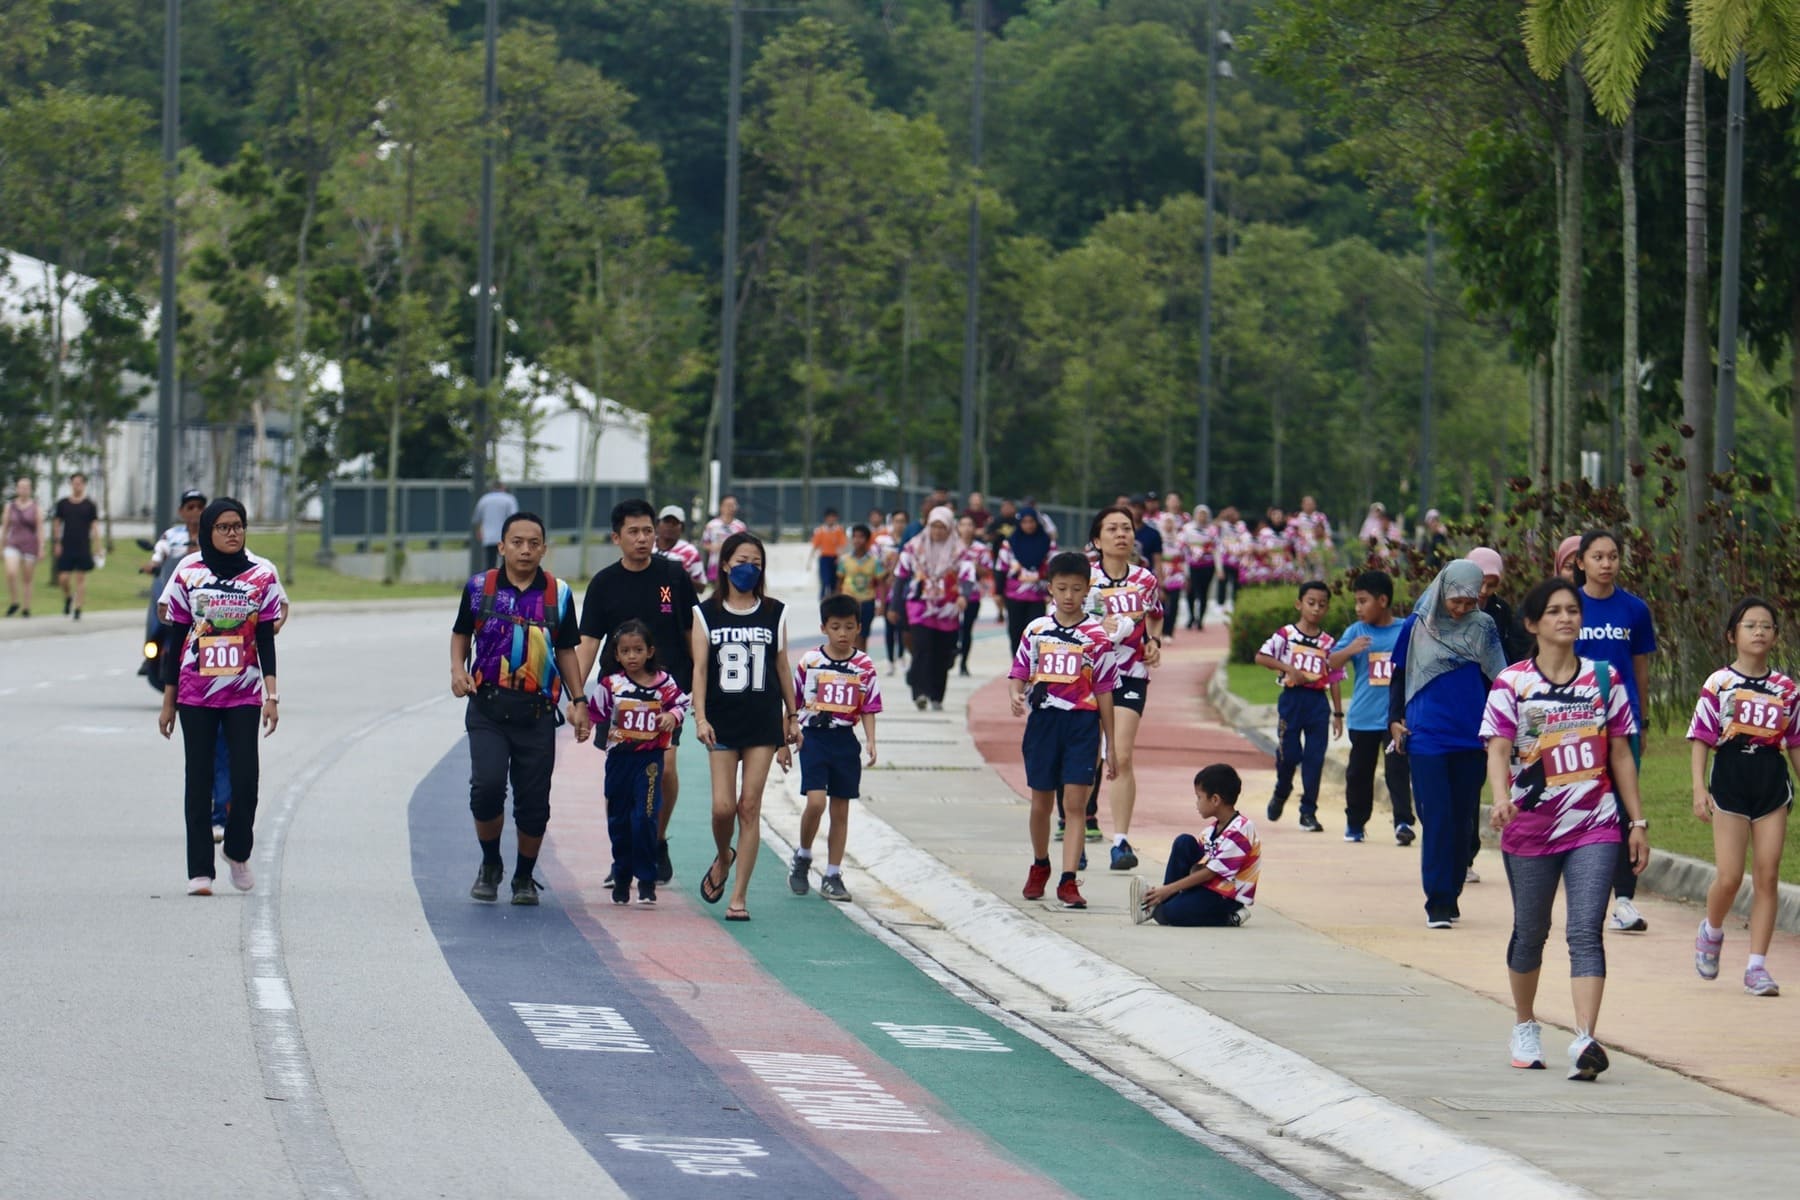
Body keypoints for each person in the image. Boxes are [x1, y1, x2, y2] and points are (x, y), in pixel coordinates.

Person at [1482, 577, 1646, 1080]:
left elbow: (1620, 753)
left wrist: (1637, 821)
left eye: (1572, 610)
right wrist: (1502, 798)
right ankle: (1524, 1024)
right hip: (1530, 827)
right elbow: (1498, 750)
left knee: (1585, 931)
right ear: (1532, 624)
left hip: (1594, 823)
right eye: (1554, 611)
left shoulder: (1604, 679)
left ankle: (1585, 1039)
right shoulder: (1512, 683)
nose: (1566, 618)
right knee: (1531, 932)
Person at [451, 511, 590, 906]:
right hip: (488, 708)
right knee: (487, 788)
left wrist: (578, 700)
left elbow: (566, 649)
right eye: (517, 542)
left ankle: (524, 877)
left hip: (537, 713)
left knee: (533, 803)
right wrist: (457, 669)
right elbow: (461, 633)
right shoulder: (480, 588)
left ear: (544, 549)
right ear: (502, 546)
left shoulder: (559, 594)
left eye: (533, 543)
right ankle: (490, 863)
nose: (525, 550)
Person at [157, 499, 285, 896]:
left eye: (238, 526)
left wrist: (272, 694)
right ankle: (200, 871)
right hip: (195, 693)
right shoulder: (188, 573)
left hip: (243, 693)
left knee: (246, 779)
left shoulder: (261, 575)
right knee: (198, 780)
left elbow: (266, 638)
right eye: (224, 527)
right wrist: (168, 701)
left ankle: (237, 850)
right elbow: (176, 637)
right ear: (209, 531)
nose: (233, 533)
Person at [577, 499, 701, 886]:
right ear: (617, 538)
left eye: (648, 530)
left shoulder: (673, 576)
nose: (643, 538)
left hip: (665, 695)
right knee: (623, 782)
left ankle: (655, 842)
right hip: (619, 701)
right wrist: (577, 697)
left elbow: (692, 634)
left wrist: (702, 685)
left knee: (665, 770)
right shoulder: (604, 583)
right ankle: (624, 856)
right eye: (633, 532)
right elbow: (588, 643)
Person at [1688, 598, 1800, 997]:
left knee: (1768, 875)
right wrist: (1699, 788)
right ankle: (1712, 929)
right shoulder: (1719, 683)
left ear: (1775, 636)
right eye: (1750, 625)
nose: (1759, 632)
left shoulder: (1787, 689)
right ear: (1732, 635)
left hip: (1770, 782)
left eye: (1766, 626)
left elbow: (1794, 742)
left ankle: (1757, 966)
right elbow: (1701, 738)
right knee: (1731, 876)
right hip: (1730, 779)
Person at [1390, 560, 1506, 927]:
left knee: (1462, 820)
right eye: (1456, 601)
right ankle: (1437, 902)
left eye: (1469, 602)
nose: (1461, 609)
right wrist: (1394, 720)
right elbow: (1399, 675)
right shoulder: (1416, 625)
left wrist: (1502, 729)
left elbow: (1500, 680)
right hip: (1426, 734)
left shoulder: (1484, 627)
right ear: (1442, 591)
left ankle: (1452, 890)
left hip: (1472, 736)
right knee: (1437, 818)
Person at [690, 531, 799, 922]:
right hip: (721, 721)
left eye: (756, 563)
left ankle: (738, 897)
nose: (748, 569)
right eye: (741, 562)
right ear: (724, 565)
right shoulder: (706, 613)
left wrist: (792, 716)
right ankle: (724, 856)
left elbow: (782, 667)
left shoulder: (774, 612)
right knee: (723, 808)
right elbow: (700, 670)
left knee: (749, 806)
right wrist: (700, 717)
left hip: (762, 721)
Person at [1008, 551, 1119, 910]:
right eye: (1061, 588)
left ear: (1087, 590)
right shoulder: (1036, 630)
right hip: (1043, 724)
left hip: (1082, 726)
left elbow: (1105, 690)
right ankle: (1040, 864)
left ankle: (1069, 879)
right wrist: (1015, 695)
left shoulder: (1097, 637)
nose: (1069, 596)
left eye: (1076, 588)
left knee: (1075, 804)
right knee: (1041, 803)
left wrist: (1111, 743)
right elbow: (1019, 673)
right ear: (1050, 589)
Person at [1571, 529, 1658, 933]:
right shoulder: (1569, 607)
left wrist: (1641, 718)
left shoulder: (1634, 610)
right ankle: (1583, 890)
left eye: (1613, 556)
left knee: (1625, 805)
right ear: (1581, 562)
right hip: (1574, 723)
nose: (1606, 564)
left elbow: (1639, 667)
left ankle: (1623, 899)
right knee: (1581, 803)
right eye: (1598, 557)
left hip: (1622, 724)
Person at [588, 618, 690, 907]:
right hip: (619, 761)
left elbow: (682, 703)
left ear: (650, 651)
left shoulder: (664, 683)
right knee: (619, 821)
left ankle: (646, 878)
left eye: (638, 650)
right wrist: (582, 722)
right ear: (617, 654)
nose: (632, 656)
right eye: (625, 651)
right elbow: (594, 712)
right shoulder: (611, 684)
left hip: (649, 761)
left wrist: (671, 717)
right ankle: (622, 875)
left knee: (645, 817)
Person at [788, 594, 883, 902]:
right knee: (816, 802)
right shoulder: (810, 661)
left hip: (845, 742)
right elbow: (793, 701)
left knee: (840, 809)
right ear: (823, 628)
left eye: (849, 627)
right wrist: (784, 738)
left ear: (859, 628)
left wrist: (871, 740)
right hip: (814, 739)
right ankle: (803, 855)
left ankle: (832, 874)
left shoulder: (864, 665)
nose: (843, 634)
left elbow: (868, 706)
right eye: (836, 627)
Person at [1087, 505, 1164, 867]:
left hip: (1130, 673)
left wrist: (1154, 642)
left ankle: (1121, 842)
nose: (1121, 535)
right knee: (1088, 755)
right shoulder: (1085, 579)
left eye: (1127, 529)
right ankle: (1077, 825)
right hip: (1088, 675)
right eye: (1113, 529)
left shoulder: (1145, 580)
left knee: (1120, 755)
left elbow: (1156, 617)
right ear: (1097, 539)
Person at [1330, 570, 1415, 845]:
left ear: (1383, 600)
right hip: (1363, 718)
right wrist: (1350, 650)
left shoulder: (1405, 630)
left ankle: (1403, 822)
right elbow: (1330, 663)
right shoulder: (1356, 632)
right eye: (1356, 601)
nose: (1358, 608)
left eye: (1363, 601)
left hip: (1396, 719)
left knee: (1397, 771)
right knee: (1358, 774)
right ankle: (1355, 823)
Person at [1255, 581, 1346, 832]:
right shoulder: (1286, 635)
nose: (1316, 609)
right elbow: (1261, 656)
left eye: (1322, 605)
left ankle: (1308, 812)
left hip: (1318, 704)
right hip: (1292, 700)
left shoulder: (1328, 643)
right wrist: (1288, 668)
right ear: (1299, 604)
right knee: (1290, 755)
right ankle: (1282, 790)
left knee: (1314, 759)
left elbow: (1335, 678)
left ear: (1327, 608)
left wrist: (1338, 714)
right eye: (1311, 603)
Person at [1131, 764, 1260, 927]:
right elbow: (1198, 867)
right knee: (1183, 842)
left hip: (1226, 896)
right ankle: (1162, 902)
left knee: (1170, 914)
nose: (1196, 803)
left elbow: (1209, 873)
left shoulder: (1242, 829)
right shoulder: (1211, 830)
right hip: (1209, 888)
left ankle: (1231, 916)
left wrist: (1168, 889)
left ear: (1215, 800)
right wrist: (1169, 890)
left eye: (1199, 797)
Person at [890, 507, 973, 711]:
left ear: (949, 527)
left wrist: (964, 595)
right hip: (920, 605)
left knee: (942, 653)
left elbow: (967, 575)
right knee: (922, 648)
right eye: (934, 526)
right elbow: (901, 576)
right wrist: (895, 606)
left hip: (947, 608)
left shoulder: (959, 550)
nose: (937, 531)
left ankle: (936, 695)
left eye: (942, 527)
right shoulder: (914, 546)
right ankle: (919, 692)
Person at [997, 507, 1055, 655]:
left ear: (1037, 522)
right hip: (1014, 595)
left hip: (1038, 596)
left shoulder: (1048, 543)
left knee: (1036, 633)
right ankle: (1017, 664)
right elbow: (1001, 568)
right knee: (1015, 632)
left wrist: (1052, 593)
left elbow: (1054, 568)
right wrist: (998, 592)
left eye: (1031, 521)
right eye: (1024, 522)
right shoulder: (1009, 544)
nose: (1028, 525)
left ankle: (1033, 664)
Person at [52, 472, 99, 620]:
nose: (77, 486)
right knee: (63, 578)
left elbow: (94, 526)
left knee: (80, 578)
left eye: (79, 483)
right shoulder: (63, 504)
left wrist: (97, 545)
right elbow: (57, 523)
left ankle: (78, 607)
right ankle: (68, 597)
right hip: (67, 545)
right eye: (74, 483)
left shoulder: (89, 505)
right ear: (71, 484)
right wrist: (57, 542)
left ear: (84, 485)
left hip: (83, 545)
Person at [834, 523, 885, 651]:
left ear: (867, 539)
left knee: (863, 636)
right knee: (849, 636)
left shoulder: (874, 561)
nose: (857, 540)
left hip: (867, 602)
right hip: (848, 602)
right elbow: (839, 582)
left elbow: (881, 583)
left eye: (861, 537)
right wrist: (836, 603)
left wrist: (882, 605)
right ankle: (850, 661)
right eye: (855, 537)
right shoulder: (844, 560)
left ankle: (861, 661)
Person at [953, 513, 991, 676]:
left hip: (973, 595)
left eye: (970, 525)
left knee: (967, 629)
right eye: (963, 525)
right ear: (958, 527)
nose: (967, 528)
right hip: (953, 594)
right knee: (953, 628)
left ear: (975, 528)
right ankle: (952, 652)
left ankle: (963, 663)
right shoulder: (952, 547)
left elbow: (987, 571)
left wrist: (976, 567)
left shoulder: (981, 549)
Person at [4, 476, 41, 617]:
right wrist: (1, 545)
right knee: (11, 572)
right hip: (13, 543)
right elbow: (5, 527)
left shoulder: (36, 507)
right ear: (17, 489)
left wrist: (41, 547)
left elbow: (40, 529)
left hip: (30, 544)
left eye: (26, 487)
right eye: (21, 487)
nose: (23, 490)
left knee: (27, 578)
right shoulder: (10, 506)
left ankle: (26, 607)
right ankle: (14, 602)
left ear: (30, 490)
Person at [1179, 506, 1218, 631]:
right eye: (1200, 514)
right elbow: (1182, 546)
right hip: (1192, 565)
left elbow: (1217, 548)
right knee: (1191, 591)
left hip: (1207, 565)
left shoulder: (1212, 530)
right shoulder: (1188, 528)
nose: (1202, 517)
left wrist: (1219, 568)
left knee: (1203, 592)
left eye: (1204, 514)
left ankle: (1200, 619)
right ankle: (1191, 617)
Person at [654, 505, 707, 590]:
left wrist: (681, 576)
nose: (670, 526)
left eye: (674, 523)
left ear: (682, 528)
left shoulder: (690, 552)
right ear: (657, 524)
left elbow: (702, 587)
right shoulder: (647, 545)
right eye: (666, 521)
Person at [700, 494, 748, 584]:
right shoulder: (711, 525)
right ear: (721, 507)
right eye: (728, 505)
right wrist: (713, 547)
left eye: (734, 505)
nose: (731, 508)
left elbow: (745, 546)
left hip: (735, 566)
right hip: (716, 565)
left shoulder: (740, 527)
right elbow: (704, 544)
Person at [470, 480, 518, 566]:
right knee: (506, 564)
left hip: (489, 537)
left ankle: (491, 574)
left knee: (490, 563)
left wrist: (479, 531)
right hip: (506, 537)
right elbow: (514, 517)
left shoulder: (484, 499)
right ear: (503, 487)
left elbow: (477, 518)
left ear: (492, 488)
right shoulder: (509, 499)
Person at [807, 508, 848, 600]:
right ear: (825, 518)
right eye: (829, 517)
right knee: (825, 580)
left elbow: (842, 545)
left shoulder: (839, 530)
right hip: (824, 558)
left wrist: (839, 558)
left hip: (835, 558)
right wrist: (809, 561)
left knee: (834, 580)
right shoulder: (820, 531)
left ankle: (833, 598)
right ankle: (822, 598)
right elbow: (815, 546)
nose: (831, 519)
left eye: (833, 517)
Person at [1291, 495, 1333, 580]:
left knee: (1328, 546)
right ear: (1302, 505)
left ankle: (1325, 574)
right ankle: (1302, 573)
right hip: (1303, 542)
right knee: (1301, 546)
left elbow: (1327, 532)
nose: (1309, 506)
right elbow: (1294, 534)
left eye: (1311, 504)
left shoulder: (1321, 516)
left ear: (1315, 505)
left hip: (1318, 541)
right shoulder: (1297, 518)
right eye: (1307, 504)